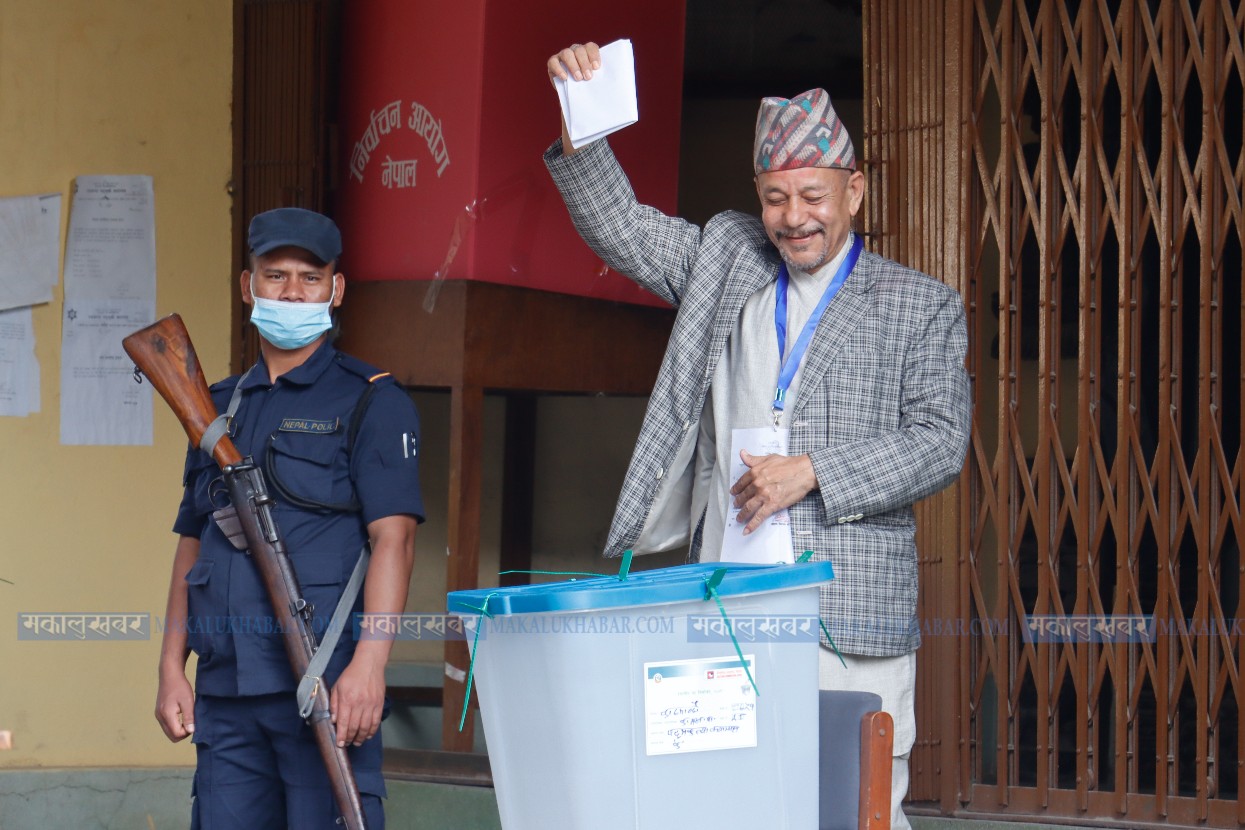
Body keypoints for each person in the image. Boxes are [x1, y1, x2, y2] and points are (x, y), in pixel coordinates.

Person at [545, 43, 971, 829]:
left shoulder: (921, 306)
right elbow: (618, 227)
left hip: (847, 605)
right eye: (774, 197)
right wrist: (583, 112)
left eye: (811, 194)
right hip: (728, 596)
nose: (792, 217)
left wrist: (811, 470)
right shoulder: (724, 258)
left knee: (855, 803)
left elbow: (939, 441)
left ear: (856, 192)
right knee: (726, 800)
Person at [153, 207, 424, 829]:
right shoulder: (213, 407)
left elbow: (395, 541)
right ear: (248, 286)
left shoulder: (372, 402)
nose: (292, 291)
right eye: (275, 276)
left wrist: (370, 666)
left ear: (336, 289)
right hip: (226, 695)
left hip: (325, 689)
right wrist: (172, 666)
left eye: (309, 277)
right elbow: (191, 545)